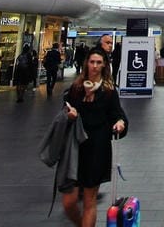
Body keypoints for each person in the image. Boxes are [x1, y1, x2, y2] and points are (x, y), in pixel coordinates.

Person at [61, 46, 128, 227]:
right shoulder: (75, 89)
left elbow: (118, 114)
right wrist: (69, 115)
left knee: (90, 200)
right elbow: (64, 113)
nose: (95, 66)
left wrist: (120, 123)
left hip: (97, 148)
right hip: (75, 149)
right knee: (69, 202)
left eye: (99, 62)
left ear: (104, 65)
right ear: (86, 64)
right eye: (92, 62)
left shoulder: (108, 91)